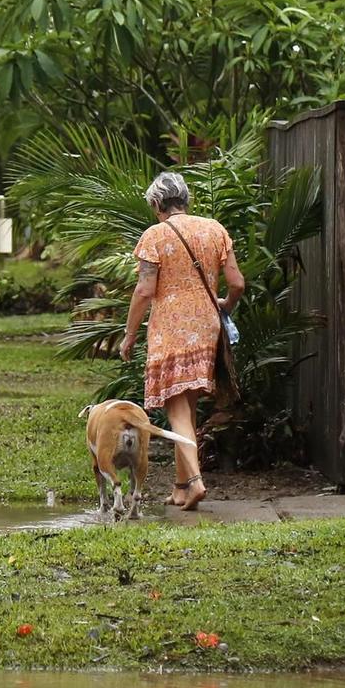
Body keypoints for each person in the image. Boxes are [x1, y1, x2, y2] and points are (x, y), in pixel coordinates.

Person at [117, 170, 245, 509]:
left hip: (171, 329)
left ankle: (196, 482)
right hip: (206, 324)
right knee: (186, 405)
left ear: (158, 203)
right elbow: (237, 283)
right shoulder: (214, 229)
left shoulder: (155, 236)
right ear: (185, 200)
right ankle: (179, 487)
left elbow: (145, 290)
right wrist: (224, 306)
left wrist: (129, 335)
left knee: (176, 412)